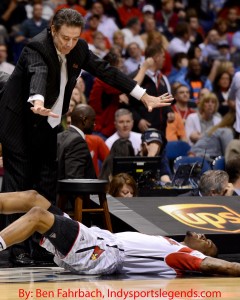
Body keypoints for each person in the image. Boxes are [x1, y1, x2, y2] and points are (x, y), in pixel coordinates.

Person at [0, 8, 172, 265]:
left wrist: (142, 94)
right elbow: (39, 74)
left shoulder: (79, 48)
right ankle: (17, 250)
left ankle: (43, 244)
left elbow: (106, 71)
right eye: (64, 38)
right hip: (19, 120)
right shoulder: (35, 48)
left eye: (74, 38)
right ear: (53, 30)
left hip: (48, 121)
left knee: (47, 182)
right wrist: (36, 99)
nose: (69, 44)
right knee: (20, 181)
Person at [3, 190, 240, 277]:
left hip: (99, 252)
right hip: (93, 240)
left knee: (37, 215)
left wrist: (217, 262)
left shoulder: (183, 255)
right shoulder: (170, 242)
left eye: (208, 244)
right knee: (33, 198)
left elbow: (225, 267)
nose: (205, 238)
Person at [57, 104, 96, 180]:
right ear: (84, 120)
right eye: (93, 120)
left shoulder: (59, 136)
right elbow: (75, 180)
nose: (94, 124)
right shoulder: (77, 142)